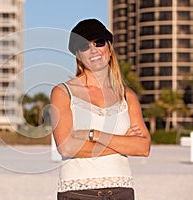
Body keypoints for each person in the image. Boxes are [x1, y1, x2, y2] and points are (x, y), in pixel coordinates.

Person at [50, 19, 151, 200]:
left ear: (109, 48)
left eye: (99, 42)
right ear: (78, 55)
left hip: (122, 190)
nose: (93, 50)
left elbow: (143, 147)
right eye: (84, 46)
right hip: (78, 191)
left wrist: (94, 134)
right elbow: (66, 148)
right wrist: (124, 143)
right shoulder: (63, 92)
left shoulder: (127, 96)